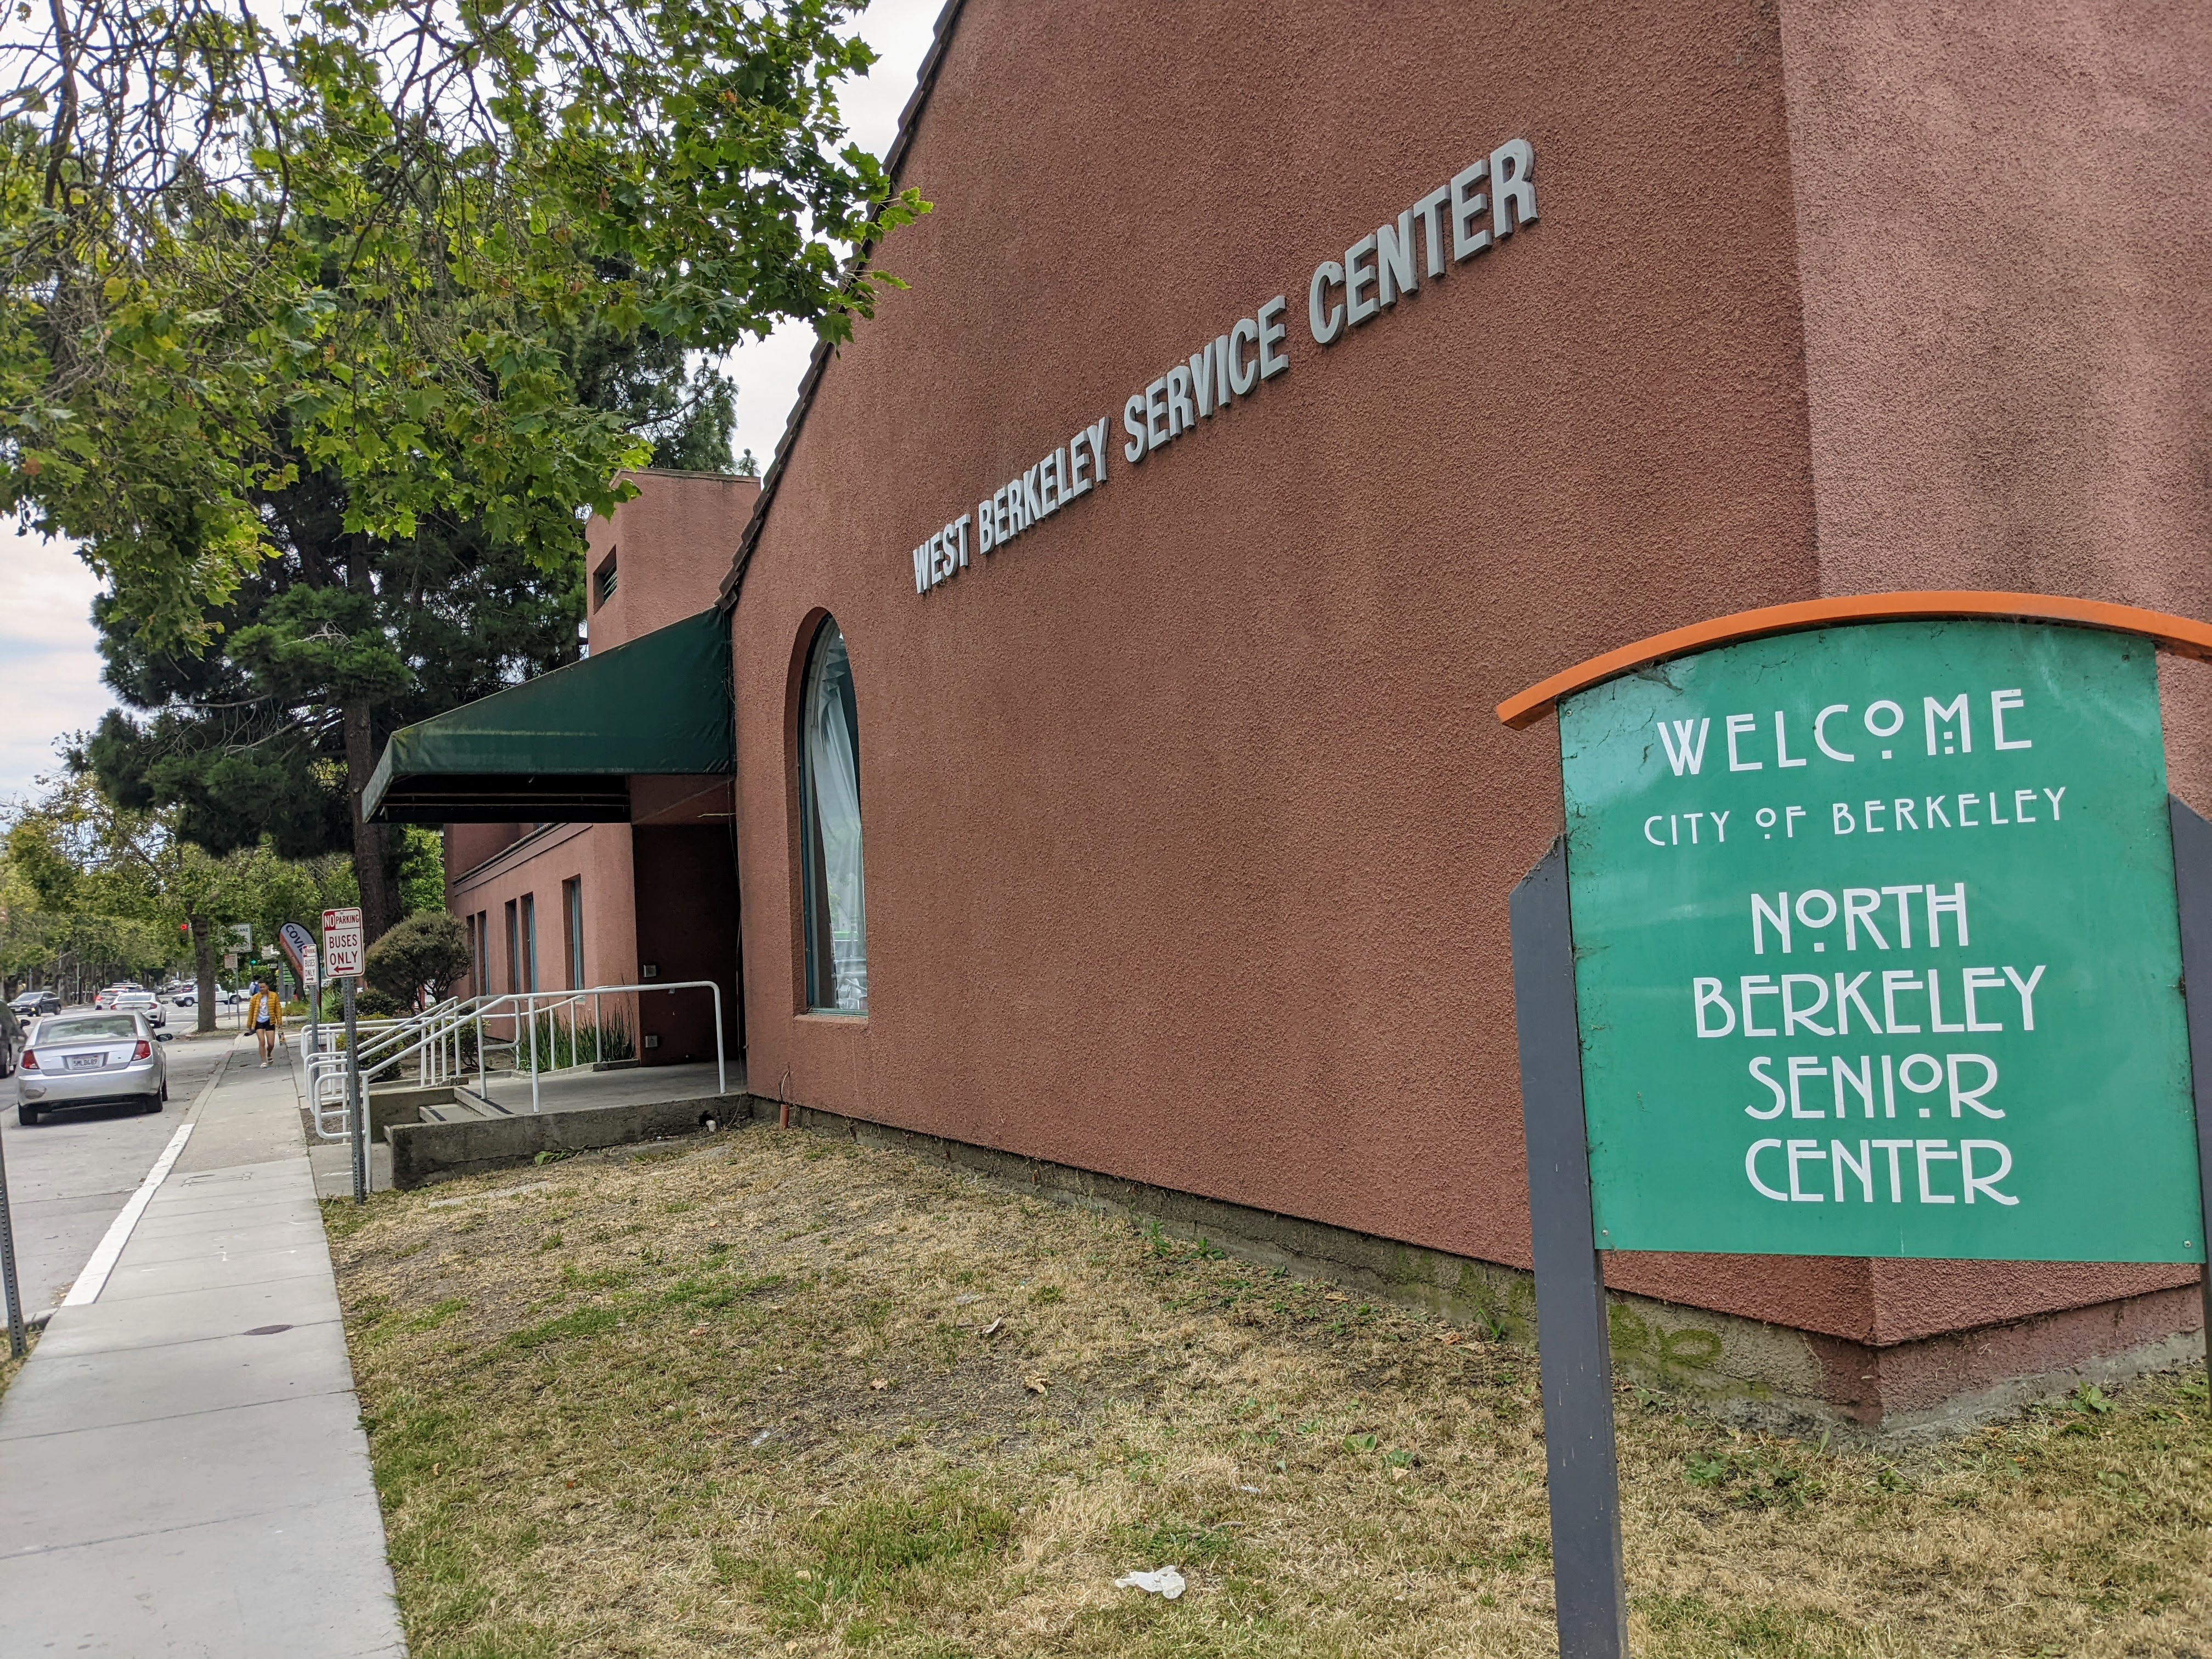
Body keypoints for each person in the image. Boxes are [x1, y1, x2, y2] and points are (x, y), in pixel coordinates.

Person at [246, 979, 284, 1066]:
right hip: (259, 1022)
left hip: (269, 1021)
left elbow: (278, 1009)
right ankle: (264, 1061)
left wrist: (279, 1022)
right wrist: (250, 1025)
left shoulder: (273, 996)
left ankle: (269, 1054)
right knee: (262, 1041)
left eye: (263, 987)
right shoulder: (255, 998)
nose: (262, 989)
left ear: (268, 987)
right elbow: (251, 1011)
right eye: (260, 987)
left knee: (271, 1044)